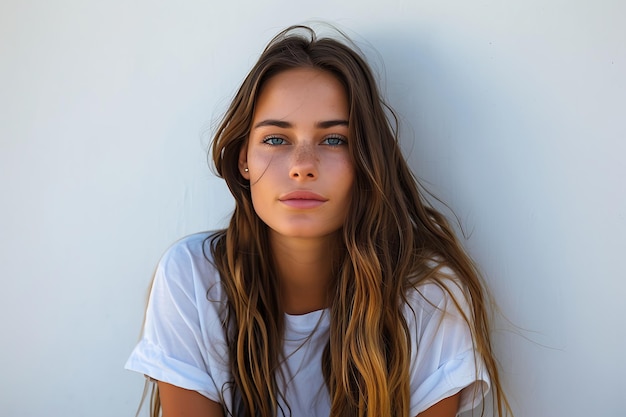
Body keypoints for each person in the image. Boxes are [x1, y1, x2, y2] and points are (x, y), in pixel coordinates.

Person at [125, 24, 512, 417]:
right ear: (244, 158)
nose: (302, 167)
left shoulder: (425, 294)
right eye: (276, 139)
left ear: (365, 160)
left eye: (334, 140)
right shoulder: (193, 277)